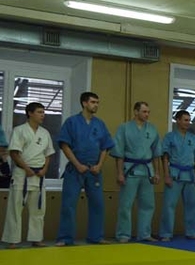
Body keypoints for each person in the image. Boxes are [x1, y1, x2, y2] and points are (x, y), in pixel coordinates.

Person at [56, 91, 115, 246]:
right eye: (93, 102)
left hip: (94, 169)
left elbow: (105, 147)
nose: (96, 105)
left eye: (97, 102)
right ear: (84, 103)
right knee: (68, 204)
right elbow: (64, 145)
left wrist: (99, 165)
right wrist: (77, 165)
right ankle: (65, 238)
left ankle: (96, 236)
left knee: (98, 204)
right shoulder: (71, 122)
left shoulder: (100, 124)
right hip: (75, 168)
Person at [2, 102, 55, 248]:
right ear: (30, 113)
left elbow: (48, 154)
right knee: (15, 209)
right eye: (39, 112)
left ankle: (36, 239)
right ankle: (12, 240)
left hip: (39, 175)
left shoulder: (45, 133)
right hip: (22, 174)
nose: (43, 115)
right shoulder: (19, 130)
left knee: (38, 209)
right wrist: (26, 168)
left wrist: (45, 169)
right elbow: (14, 153)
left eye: (43, 112)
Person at [112, 101, 162, 243]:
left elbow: (157, 153)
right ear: (135, 112)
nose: (147, 114)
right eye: (144, 111)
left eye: (148, 112)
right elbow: (119, 153)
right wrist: (119, 173)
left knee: (148, 204)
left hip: (147, 171)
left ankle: (144, 233)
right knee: (125, 205)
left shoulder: (152, 129)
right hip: (130, 170)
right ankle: (123, 234)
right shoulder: (124, 128)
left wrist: (157, 172)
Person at [159, 110, 195, 241]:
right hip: (174, 173)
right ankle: (166, 233)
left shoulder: (193, 138)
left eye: (189, 120)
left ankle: (192, 232)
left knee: (192, 204)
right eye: (185, 120)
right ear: (177, 120)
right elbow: (165, 157)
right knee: (169, 205)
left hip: (189, 174)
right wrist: (166, 175)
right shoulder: (170, 137)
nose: (188, 123)